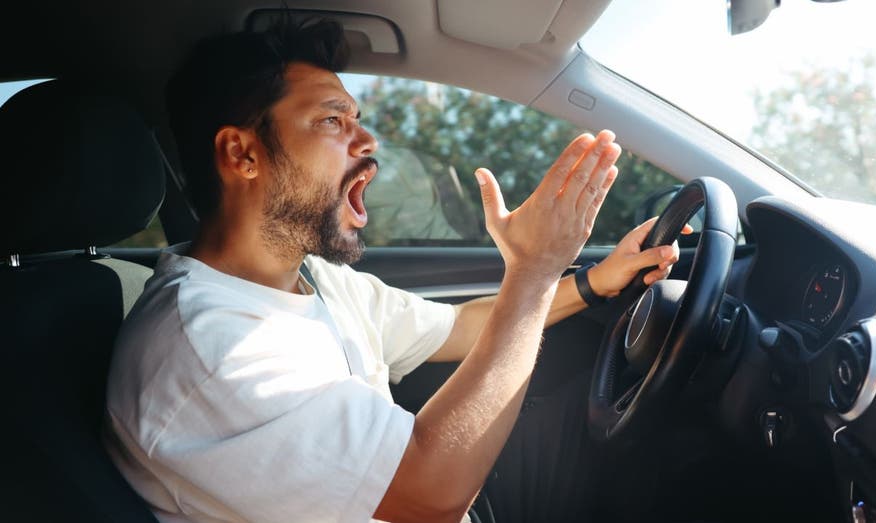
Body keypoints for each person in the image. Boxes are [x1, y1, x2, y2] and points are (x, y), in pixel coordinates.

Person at [104, 17, 682, 523]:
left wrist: (595, 280)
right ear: (242, 155)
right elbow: (430, 499)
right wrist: (531, 271)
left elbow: (455, 328)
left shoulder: (313, 278)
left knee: (636, 431)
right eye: (333, 121)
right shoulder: (208, 348)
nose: (367, 138)